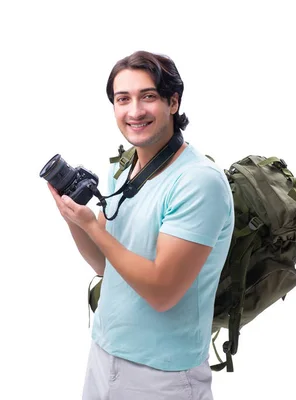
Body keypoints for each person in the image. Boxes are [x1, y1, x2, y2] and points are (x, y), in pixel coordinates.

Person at [48, 50, 235, 399]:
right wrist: (73, 218)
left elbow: (162, 292)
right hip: (105, 354)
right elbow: (106, 265)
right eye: (123, 99)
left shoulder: (198, 182)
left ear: (173, 102)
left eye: (148, 96)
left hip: (164, 374)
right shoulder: (123, 166)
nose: (134, 111)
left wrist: (91, 226)